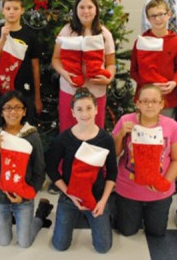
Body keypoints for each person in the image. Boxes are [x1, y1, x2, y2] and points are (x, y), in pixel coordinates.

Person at [47, 87, 117, 253]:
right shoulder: (64, 138)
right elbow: (51, 168)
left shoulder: (106, 139)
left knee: (103, 248)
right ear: (72, 112)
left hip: (97, 196)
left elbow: (112, 172)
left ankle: (102, 216)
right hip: (69, 195)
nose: (84, 114)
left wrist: (103, 201)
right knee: (60, 246)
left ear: (96, 109)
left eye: (88, 108)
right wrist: (68, 193)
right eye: (79, 109)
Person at [0, 90, 50, 247]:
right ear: (1, 111)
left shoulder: (32, 135)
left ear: (24, 111)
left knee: (25, 243)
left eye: (18, 107)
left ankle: (40, 216)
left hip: (23, 199)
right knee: (3, 241)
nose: (13, 112)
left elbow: (39, 171)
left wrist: (26, 196)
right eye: (8, 108)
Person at [112, 84, 177, 237]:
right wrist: (120, 135)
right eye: (144, 101)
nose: (149, 105)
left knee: (156, 232)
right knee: (127, 231)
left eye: (154, 101)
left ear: (161, 104)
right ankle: (120, 207)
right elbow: (114, 153)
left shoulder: (172, 126)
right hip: (128, 188)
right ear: (138, 103)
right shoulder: (126, 120)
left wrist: (165, 182)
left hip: (159, 190)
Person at [52, 0, 116, 131]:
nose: (86, 11)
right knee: (68, 132)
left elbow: (111, 64)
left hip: (96, 92)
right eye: (82, 7)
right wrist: (64, 73)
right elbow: (55, 59)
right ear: (76, 10)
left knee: (94, 132)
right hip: (70, 90)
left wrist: (108, 79)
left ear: (96, 10)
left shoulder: (104, 34)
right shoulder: (67, 31)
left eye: (90, 7)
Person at [0, 0, 42, 121]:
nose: (12, 12)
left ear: (22, 10)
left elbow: (35, 68)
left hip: (25, 92)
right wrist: (2, 39)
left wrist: (37, 97)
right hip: (0, 92)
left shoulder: (30, 35)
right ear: (3, 11)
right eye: (8, 8)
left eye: (16, 8)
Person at [130, 0, 177, 117]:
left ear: (169, 14)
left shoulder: (176, 42)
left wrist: (174, 83)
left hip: (167, 98)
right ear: (148, 19)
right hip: (144, 99)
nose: (158, 19)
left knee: (166, 133)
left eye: (161, 14)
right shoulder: (141, 41)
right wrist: (147, 84)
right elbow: (134, 70)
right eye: (153, 16)